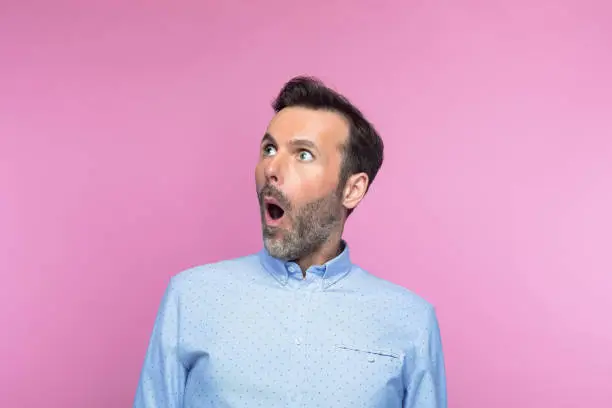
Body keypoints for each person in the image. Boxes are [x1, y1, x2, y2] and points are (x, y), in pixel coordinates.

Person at [134, 76, 447, 407]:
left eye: (303, 155)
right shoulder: (190, 297)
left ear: (352, 189)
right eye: (269, 149)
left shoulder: (411, 321)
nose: (272, 167)